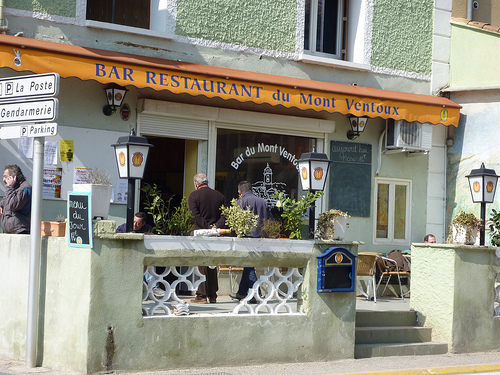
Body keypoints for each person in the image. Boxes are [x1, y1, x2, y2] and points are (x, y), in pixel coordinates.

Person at [229, 181, 272, 303]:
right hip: (261, 238)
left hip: (246, 237)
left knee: (248, 265)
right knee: (248, 265)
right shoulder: (262, 202)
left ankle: (256, 294)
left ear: (239, 191)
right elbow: (270, 219)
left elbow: (235, 221)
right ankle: (241, 293)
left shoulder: (241, 202)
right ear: (252, 189)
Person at [188, 173, 227, 303]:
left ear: (195, 183)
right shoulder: (219, 195)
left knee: (201, 264)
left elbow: (195, 215)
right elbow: (225, 215)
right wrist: (215, 227)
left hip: (200, 232)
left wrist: (206, 227)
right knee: (212, 264)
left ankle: (201, 295)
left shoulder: (194, 196)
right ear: (207, 182)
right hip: (215, 233)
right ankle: (213, 295)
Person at [0, 165, 32, 234]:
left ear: (13, 178)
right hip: (10, 232)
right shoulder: (13, 189)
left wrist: (10, 187)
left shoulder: (25, 189)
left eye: (5, 177)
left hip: (20, 232)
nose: (3, 180)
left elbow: (13, 205)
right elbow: (5, 202)